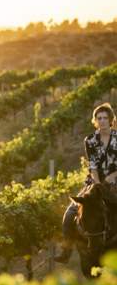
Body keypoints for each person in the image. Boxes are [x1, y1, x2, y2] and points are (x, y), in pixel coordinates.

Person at [58, 102, 117, 261]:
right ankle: (66, 250)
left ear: (111, 119)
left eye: (105, 118)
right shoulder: (90, 140)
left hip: (115, 181)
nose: (102, 120)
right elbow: (92, 165)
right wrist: (97, 184)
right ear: (95, 121)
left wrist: (112, 177)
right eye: (99, 118)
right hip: (95, 181)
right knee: (70, 214)